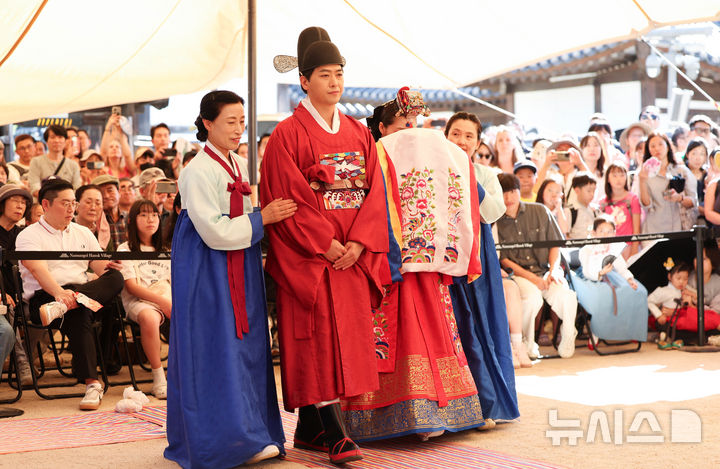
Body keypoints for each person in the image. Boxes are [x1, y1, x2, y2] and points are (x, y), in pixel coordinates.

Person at [261, 27, 388, 464]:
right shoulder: (287, 135)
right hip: (312, 259)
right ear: (304, 80)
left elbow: (375, 192)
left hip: (351, 255)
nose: (334, 82)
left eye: (339, 74)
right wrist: (326, 243)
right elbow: (286, 198)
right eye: (324, 75)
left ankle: (311, 430)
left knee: (346, 340)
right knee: (316, 341)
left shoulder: (358, 132)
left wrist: (359, 243)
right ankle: (336, 433)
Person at [342, 92, 485, 442]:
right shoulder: (374, 154)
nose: (410, 133)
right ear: (382, 129)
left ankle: (438, 410)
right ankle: (394, 414)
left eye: (414, 125)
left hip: (427, 263)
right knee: (395, 332)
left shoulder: (434, 155)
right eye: (402, 127)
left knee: (434, 330)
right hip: (387, 259)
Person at [165, 90, 293, 468]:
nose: (239, 130)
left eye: (242, 122)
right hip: (208, 267)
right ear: (208, 123)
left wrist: (260, 219)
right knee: (214, 346)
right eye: (231, 122)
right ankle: (223, 441)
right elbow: (213, 231)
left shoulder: (238, 164)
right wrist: (262, 218)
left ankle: (252, 433)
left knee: (247, 344)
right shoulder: (196, 170)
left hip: (241, 260)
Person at [16, 178, 125, 410]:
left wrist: (110, 266)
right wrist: (60, 295)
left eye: (73, 203)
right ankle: (92, 384)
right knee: (80, 311)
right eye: (65, 203)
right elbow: (38, 270)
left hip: (75, 295)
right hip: (44, 298)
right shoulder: (28, 235)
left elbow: (100, 268)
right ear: (46, 204)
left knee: (115, 277)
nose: (71, 209)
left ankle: (68, 306)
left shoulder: (83, 232)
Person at [444, 112, 521, 423]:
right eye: (456, 134)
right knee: (452, 328)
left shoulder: (486, 174)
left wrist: (465, 175)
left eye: (469, 136)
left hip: (479, 257)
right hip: (445, 257)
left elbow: (491, 212)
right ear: (445, 137)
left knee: (483, 325)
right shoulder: (432, 171)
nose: (462, 141)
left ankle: (489, 403)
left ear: (478, 143)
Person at [496, 173, 578, 358]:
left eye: (512, 191)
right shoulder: (496, 221)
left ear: (519, 191)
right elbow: (504, 259)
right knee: (531, 299)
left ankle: (568, 335)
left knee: (566, 295)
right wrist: (533, 279)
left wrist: (553, 270)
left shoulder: (540, 210)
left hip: (546, 270)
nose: (508, 198)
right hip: (518, 275)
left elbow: (555, 244)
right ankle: (527, 341)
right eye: (503, 192)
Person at [117, 200, 170, 398]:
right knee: (149, 317)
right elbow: (132, 287)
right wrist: (163, 302)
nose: (151, 220)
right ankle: (159, 378)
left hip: (167, 298)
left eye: (154, 215)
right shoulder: (125, 249)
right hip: (139, 302)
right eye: (144, 215)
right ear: (132, 220)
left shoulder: (166, 249)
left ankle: (188, 372)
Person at [574, 216, 647, 344]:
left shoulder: (614, 247)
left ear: (614, 233)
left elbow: (621, 267)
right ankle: (596, 332)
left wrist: (629, 279)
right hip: (590, 278)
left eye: (609, 231)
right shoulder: (587, 249)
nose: (605, 234)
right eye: (601, 231)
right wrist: (600, 273)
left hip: (612, 277)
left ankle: (631, 330)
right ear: (594, 232)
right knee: (605, 295)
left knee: (638, 291)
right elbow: (586, 270)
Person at [0, 184, 34, 385]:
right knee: (8, 309)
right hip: (4, 296)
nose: (20, 206)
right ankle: (22, 362)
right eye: (15, 201)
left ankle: (25, 357)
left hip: (24, 293)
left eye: (23, 203)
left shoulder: (24, 235)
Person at [637, 131, 697, 233]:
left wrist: (679, 198)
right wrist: (642, 181)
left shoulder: (681, 171)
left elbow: (693, 202)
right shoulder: (645, 173)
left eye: (660, 144)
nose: (657, 148)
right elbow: (646, 205)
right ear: (648, 150)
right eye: (652, 146)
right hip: (654, 230)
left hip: (679, 229)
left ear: (668, 147)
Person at [599, 162, 641, 258]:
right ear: (608, 179)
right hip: (609, 249)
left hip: (628, 247)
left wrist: (634, 251)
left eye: (622, 175)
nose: (618, 179)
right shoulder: (602, 202)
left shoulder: (633, 199)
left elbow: (636, 228)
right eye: (614, 176)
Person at [28, 125, 82, 197]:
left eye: (60, 137)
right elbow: (34, 187)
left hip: (66, 202)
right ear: (46, 141)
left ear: (65, 141)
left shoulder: (73, 165)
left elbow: (76, 189)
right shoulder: (36, 162)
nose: (56, 140)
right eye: (52, 137)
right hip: (42, 203)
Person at [92, 174, 128, 247]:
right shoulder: (93, 222)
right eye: (101, 193)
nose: (106, 196)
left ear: (119, 192)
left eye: (110, 190)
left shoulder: (130, 218)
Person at [74, 184, 111, 250]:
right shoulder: (65, 227)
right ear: (76, 205)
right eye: (88, 202)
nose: (93, 208)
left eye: (98, 203)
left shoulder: (103, 232)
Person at [563, 172, 598, 239]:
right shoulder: (570, 211)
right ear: (577, 191)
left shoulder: (595, 210)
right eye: (589, 191)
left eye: (594, 191)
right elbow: (565, 235)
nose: (592, 194)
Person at [684, 137, 709, 221]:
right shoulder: (682, 173)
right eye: (694, 153)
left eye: (702, 154)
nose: (698, 158)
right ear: (687, 154)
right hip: (685, 217)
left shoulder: (707, 175)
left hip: (704, 219)